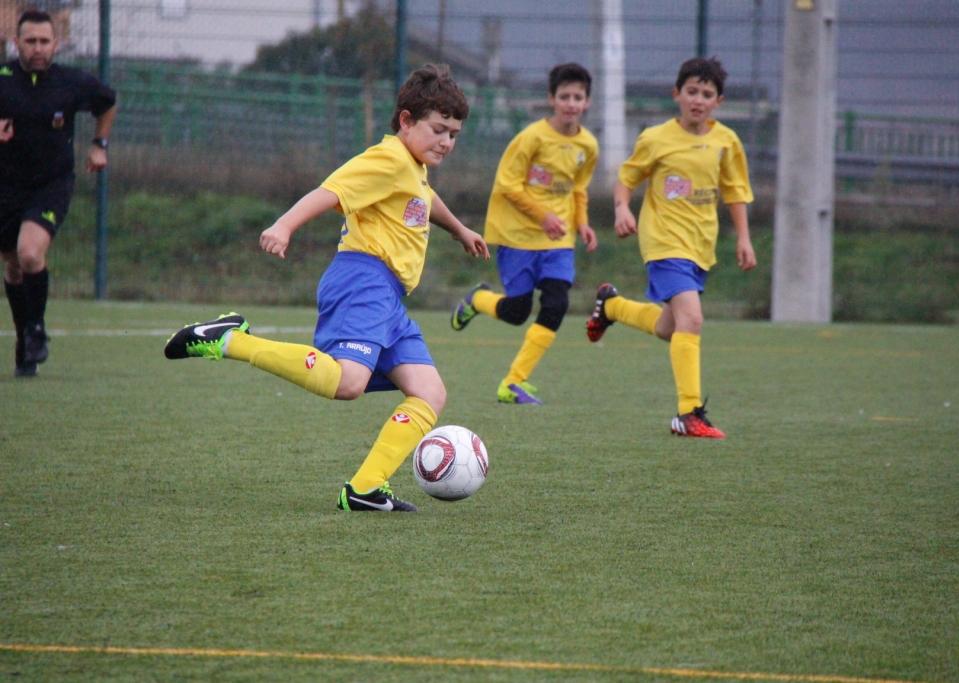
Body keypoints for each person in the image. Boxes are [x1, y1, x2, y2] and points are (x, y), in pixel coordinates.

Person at [164, 64, 489, 512]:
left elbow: (424, 198)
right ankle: (228, 341)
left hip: (388, 297)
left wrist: (458, 229)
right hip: (363, 280)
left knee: (429, 392)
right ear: (406, 120)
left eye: (453, 134)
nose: (447, 142)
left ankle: (365, 489)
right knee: (348, 382)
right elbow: (332, 190)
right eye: (438, 130)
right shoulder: (389, 159)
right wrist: (284, 225)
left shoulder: (411, 166)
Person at [585, 56, 756, 439]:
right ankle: (688, 413)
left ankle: (612, 306)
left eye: (707, 94)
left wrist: (744, 238)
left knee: (671, 327)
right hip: (663, 242)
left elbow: (736, 192)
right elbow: (627, 178)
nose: (698, 100)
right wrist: (622, 208)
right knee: (692, 319)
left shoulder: (726, 141)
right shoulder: (656, 138)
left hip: (700, 246)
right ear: (676, 93)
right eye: (692, 91)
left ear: (719, 101)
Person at [450, 63, 598, 405]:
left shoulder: (588, 145)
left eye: (578, 97)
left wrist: (582, 223)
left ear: (587, 102)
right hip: (517, 235)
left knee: (557, 303)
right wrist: (543, 216)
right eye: (565, 96)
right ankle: (477, 300)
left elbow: (579, 188)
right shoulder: (531, 138)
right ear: (552, 98)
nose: (571, 103)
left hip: (558, 241)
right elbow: (508, 185)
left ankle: (514, 381)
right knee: (517, 311)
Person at [0, 9, 117, 378]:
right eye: (30, 41)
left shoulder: (71, 82)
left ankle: (36, 329)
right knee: (14, 267)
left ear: (56, 44)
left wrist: (99, 144)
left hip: (51, 184)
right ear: (16, 43)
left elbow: (107, 102)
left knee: (30, 253)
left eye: (44, 41)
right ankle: (26, 341)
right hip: (6, 186)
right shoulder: (3, 81)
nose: (37, 48)